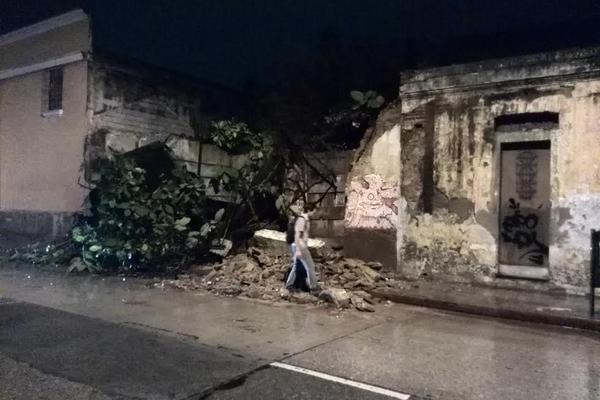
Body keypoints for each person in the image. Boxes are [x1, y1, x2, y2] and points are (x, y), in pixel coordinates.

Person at [285, 204, 318, 292]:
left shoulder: (305, 219)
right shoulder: (302, 219)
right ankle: (314, 287)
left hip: (299, 246)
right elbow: (297, 234)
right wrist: (298, 250)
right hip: (300, 246)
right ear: (310, 210)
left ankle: (289, 285)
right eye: (314, 211)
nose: (315, 213)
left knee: (297, 267)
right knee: (310, 266)